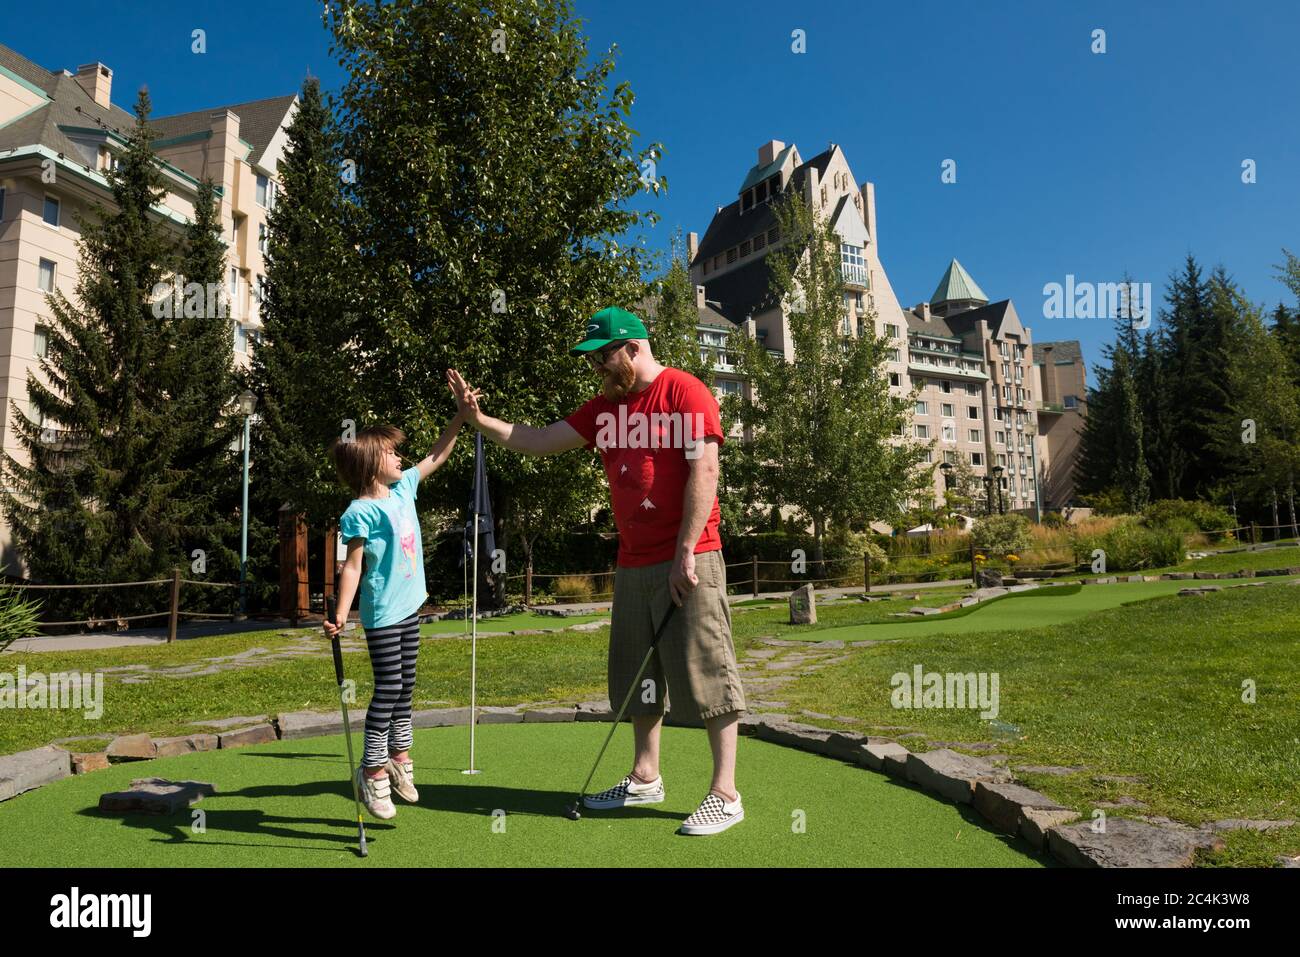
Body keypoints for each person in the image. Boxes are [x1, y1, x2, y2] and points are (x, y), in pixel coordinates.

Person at [448, 306, 747, 835]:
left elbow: (705, 470)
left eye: (603, 357)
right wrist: (478, 420)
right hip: (633, 562)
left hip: (690, 555)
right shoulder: (606, 407)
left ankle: (725, 792)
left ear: (633, 347)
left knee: (707, 671)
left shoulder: (685, 392)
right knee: (637, 675)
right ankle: (645, 776)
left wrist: (683, 552)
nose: (598, 369)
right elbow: (538, 439)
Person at [325, 373, 467, 819]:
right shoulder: (359, 511)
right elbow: (352, 566)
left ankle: (400, 759)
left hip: (411, 607)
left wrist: (462, 415)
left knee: (405, 687)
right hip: (383, 614)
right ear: (370, 464)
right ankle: (372, 772)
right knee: (387, 688)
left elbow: (437, 454)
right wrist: (341, 615)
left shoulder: (403, 486)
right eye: (389, 452)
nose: (398, 456)